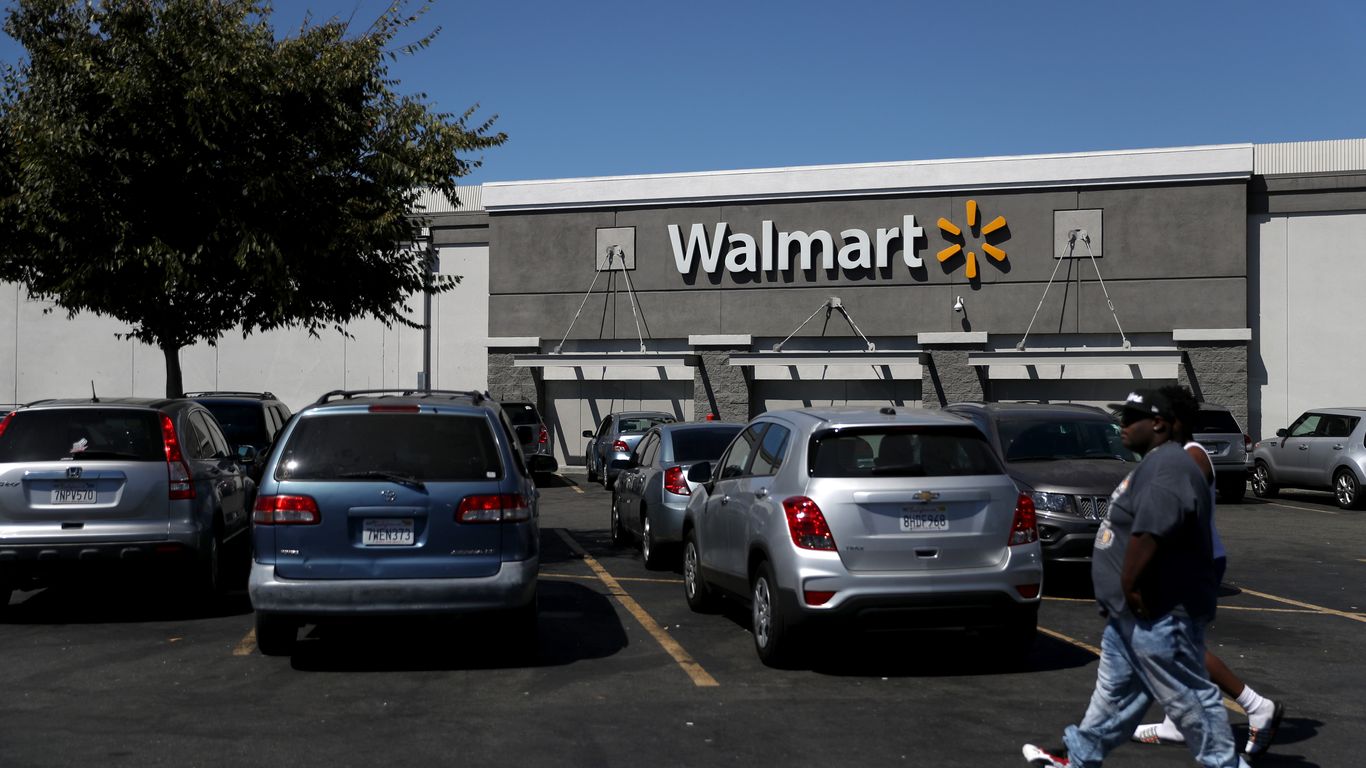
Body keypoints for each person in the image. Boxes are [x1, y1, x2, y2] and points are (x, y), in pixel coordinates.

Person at [1022, 387, 1245, 768]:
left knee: (1189, 695)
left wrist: (1130, 586)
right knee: (1114, 697)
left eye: (1129, 419)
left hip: (1159, 610)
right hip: (1130, 615)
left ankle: (1227, 764)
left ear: (1157, 423)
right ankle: (1079, 758)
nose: (1120, 426)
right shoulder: (1154, 464)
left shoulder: (1171, 466)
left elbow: (1152, 533)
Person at [1130, 386, 1285, 757]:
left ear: (1173, 421)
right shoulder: (1174, 455)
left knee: (1178, 645)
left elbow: (1174, 516)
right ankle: (1175, 722)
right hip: (1184, 562)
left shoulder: (1192, 457)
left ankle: (1256, 706)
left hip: (1191, 564)